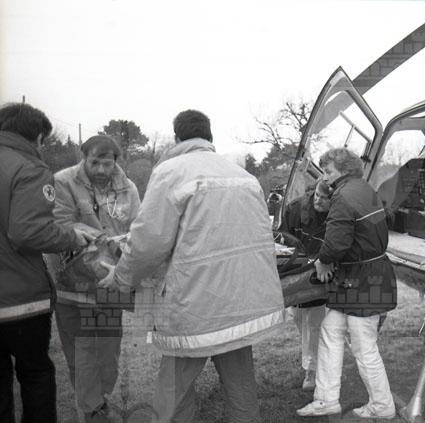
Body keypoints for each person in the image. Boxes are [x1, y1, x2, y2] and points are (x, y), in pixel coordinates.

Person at [98, 109, 285, 423]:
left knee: (173, 389)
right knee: (240, 384)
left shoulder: (171, 172)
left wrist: (121, 276)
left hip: (194, 304)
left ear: (177, 138)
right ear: (209, 136)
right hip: (240, 303)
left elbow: (149, 241)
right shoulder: (244, 177)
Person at [0, 102, 93, 423]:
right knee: (35, 373)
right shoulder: (29, 169)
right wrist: (72, 236)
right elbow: (28, 231)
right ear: (37, 136)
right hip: (18, 301)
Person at [296, 148, 397, 419]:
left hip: (363, 277)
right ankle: (326, 399)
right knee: (330, 330)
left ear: (343, 170)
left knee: (364, 345)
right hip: (360, 275)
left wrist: (322, 261)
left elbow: (336, 243)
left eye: (328, 171)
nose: (324, 177)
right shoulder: (364, 188)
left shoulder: (342, 195)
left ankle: (382, 405)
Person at [50, 135, 140, 422]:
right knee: (82, 351)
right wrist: (102, 240)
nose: (101, 169)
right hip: (73, 285)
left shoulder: (128, 188)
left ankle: (100, 399)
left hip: (110, 284)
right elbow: (60, 225)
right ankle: (92, 410)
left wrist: (126, 258)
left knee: (108, 351)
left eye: (107, 163)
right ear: (84, 158)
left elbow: (138, 229)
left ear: (116, 161)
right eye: (95, 162)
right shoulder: (63, 182)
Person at [280, 181, 332, 391]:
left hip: (319, 272)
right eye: (317, 195)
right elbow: (283, 237)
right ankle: (315, 358)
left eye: (325, 198)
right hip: (296, 269)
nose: (319, 200)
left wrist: (323, 261)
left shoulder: (337, 215)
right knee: (298, 317)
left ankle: (312, 370)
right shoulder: (295, 208)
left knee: (314, 322)